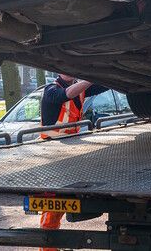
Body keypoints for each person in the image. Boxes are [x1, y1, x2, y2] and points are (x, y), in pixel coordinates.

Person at [38, 73, 103, 247]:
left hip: (69, 154)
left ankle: (50, 245)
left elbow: (103, 85)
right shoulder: (51, 90)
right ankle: (47, 246)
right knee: (52, 206)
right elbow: (65, 95)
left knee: (60, 203)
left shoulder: (79, 90)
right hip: (51, 155)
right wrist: (88, 79)